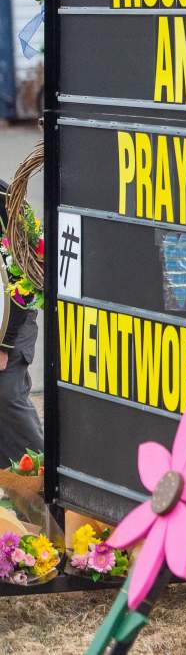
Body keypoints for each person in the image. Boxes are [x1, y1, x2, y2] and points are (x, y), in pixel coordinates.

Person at [0, 179, 43, 465]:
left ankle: (45, 472)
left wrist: (4, 344)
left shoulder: (6, 203)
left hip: (13, 315)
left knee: (6, 392)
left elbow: (23, 278)